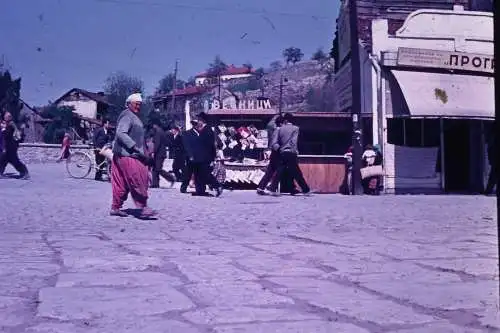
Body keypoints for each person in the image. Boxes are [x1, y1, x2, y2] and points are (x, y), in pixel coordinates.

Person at [110, 93, 156, 218]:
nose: (138, 106)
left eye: (139, 104)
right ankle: (143, 207)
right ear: (129, 104)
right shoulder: (127, 116)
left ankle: (115, 207)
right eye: (136, 104)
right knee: (138, 178)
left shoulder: (133, 117)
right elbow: (121, 133)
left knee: (121, 182)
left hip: (122, 155)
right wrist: (134, 146)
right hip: (128, 155)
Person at [268, 113, 310, 195]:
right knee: (297, 172)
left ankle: (273, 189)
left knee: (279, 171)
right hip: (291, 152)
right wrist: (295, 151)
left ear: (285, 120)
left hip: (282, 152)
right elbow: (294, 141)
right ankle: (306, 190)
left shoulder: (280, 129)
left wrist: (279, 149)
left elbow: (274, 143)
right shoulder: (295, 128)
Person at [188, 112, 223, 197]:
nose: (198, 122)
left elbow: (210, 145)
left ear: (202, 121)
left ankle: (217, 186)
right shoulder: (202, 130)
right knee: (198, 173)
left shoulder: (208, 130)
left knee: (205, 173)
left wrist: (212, 157)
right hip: (200, 156)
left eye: (199, 120)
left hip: (205, 157)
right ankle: (200, 191)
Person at [0, 112, 29, 179]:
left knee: (14, 160)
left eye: (6, 116)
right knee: (3, 159)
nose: (4, 117)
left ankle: (25, 173)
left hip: (11, 146)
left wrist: (3, 129)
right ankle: (0, 173)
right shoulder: (7, 124)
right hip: (9, 146)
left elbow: (8, 135)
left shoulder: (11, 124)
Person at [150, 119, 175, 188]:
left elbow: (157, 143)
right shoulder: (161, 131)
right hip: (161, 153)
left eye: (153, 125)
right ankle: (155, 184)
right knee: (155, 168)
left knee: (158, 168)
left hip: (159, 153)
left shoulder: (158, 132)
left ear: (155, 125)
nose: (153, 127)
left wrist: (153, 152)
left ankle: (171, 178)